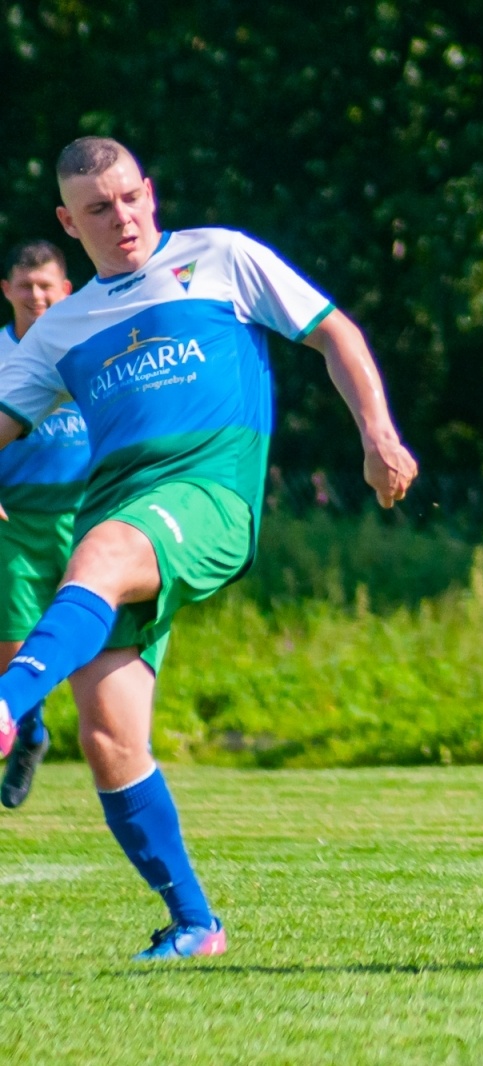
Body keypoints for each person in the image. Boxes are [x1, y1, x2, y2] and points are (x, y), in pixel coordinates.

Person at [0, 136, 417, 959]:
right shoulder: (60, 330)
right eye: (97, 209)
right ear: (67, 220)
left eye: (129, 198)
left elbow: (336, 334)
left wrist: (376, 433)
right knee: (109, 735)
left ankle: (8, 705)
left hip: (210, 498)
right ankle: (195, 923)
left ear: (149, 191)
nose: (121, 218)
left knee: (105, 552)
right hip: (118, 513)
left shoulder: (220, 257)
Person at [0, 240, 89, 807]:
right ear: (6, 290)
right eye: (25, 286)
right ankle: (29, 735)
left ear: (67, 291)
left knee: (97, 642)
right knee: (10, 655)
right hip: (15, 520)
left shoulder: (91, 348)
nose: (36, 296)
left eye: (47, 286)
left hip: (87, 516)